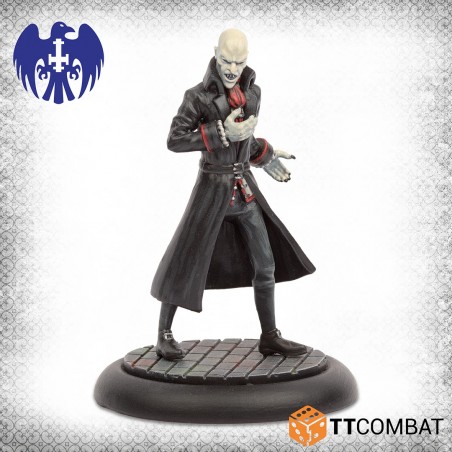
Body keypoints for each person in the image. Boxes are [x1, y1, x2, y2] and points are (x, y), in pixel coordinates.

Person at [151, 29, 316, 360]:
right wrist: (220, 131)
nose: (231, 69)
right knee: (185, 260)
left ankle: (270, 336)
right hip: (212, 191)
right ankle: (163, 335)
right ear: (215, 54)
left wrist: (265, 154)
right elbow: (175, 139)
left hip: (244, 191)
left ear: (247, 60)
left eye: (239, 62)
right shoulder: (197, 97)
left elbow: (245, 140)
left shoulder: (252, 94)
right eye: (226, 60)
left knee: (266, 264)